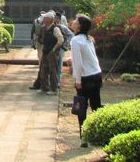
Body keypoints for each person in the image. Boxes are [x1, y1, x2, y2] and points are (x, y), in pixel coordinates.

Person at [70, 14, 103, 147]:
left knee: (81, 106)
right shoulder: (89, 39)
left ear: (80, 26)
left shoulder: (76, 40)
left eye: (76, 21)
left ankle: (84, 137)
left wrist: (77, 80)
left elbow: (78, 63)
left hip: (86, 78)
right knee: (96, 106)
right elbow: (89, 58)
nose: (73, 22)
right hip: (96, 74)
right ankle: (98, 134)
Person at [39, 11, 63, 95]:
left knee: (53, 71)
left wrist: (54, 50)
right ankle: (44, 88)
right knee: (43, 70)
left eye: (45, 18)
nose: (43, 19)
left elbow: (61, 40)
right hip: (45, 51)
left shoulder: (55, 28)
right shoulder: (44, 28)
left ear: (50, 19)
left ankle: (54, 89)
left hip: (52, 53)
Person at [55, 11, 74, 89]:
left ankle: (58, 81)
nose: (55, 20)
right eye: (54, 18)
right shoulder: (49, 27)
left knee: (59, 65)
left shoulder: (62, 27)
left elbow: (71, 35)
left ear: (59, 19)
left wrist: (66, 44)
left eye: (57, 18)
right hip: (51, 49)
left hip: (60, 49)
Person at [28, 11, 46, 90]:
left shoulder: (36, 21)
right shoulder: (44, 23)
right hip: (43, 41)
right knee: (41, 56)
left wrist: (33, 41)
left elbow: (32, 32)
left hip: (38, 40)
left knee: (40, 55)